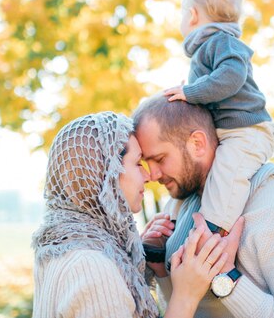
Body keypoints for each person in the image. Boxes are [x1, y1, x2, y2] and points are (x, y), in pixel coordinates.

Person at [134, 96, 274, 318]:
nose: (152, 175)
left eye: (160, 159)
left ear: (197, 144)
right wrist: (161, 268)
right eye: (146, 162)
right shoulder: (178, 204)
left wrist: (226, 279)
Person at [31, 112, 242, 318]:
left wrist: (135, 260)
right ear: (108, 175)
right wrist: (185, 296)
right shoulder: (92, 267)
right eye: (137, 162)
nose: (148, 175)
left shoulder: (62, 246)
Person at [163, 0, 274, 237]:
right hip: (229, 132)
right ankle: (170, 225)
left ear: (192, 15)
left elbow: (231, 78)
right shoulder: (209, 48)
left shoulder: (223, 42)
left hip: (246, 131)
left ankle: (213, 232)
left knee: (227, 175)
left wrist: (192, 92)